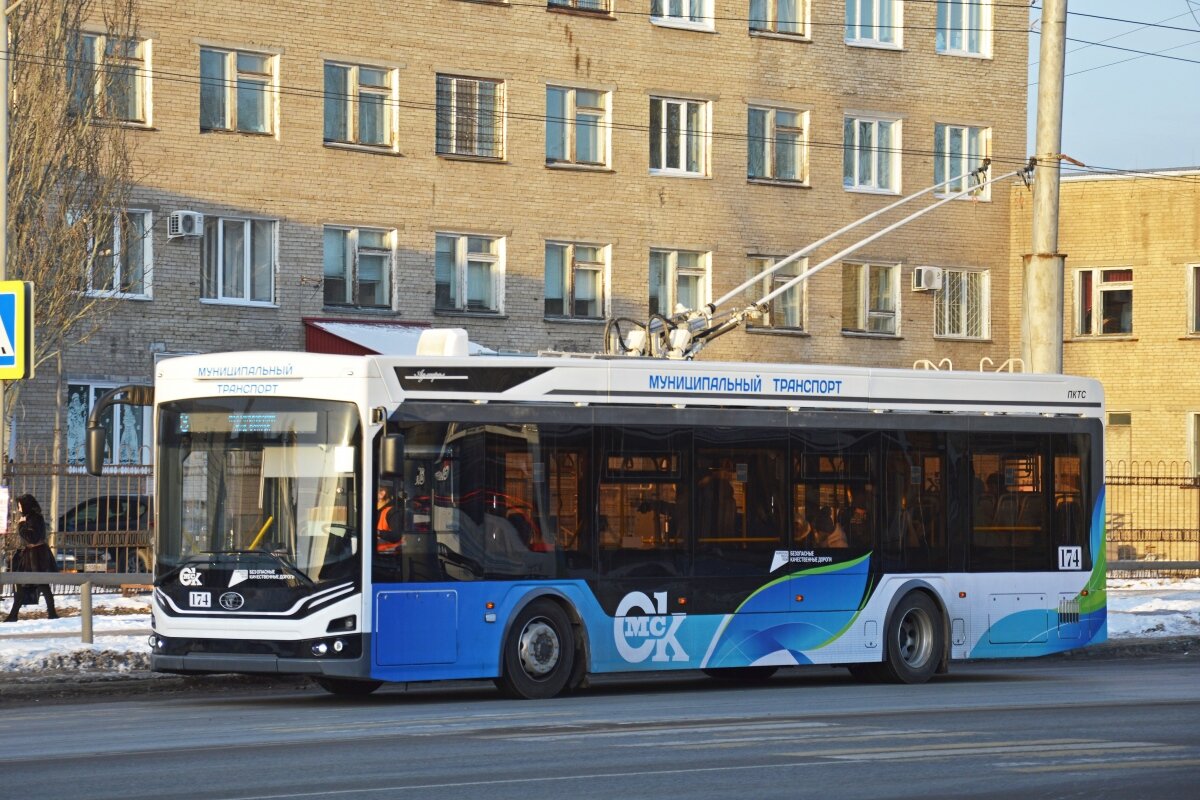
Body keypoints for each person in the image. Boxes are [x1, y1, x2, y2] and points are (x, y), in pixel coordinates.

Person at [4, 494, 58, 622]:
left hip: (36, 556)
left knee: (41, 584)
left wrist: (21, 526)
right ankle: (14, 615)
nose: (19, 508)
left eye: (20, 505)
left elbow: (32, 537)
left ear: (26, 505)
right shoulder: (30, 517)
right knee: (23, 584)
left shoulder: (34, 518)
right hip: (32, 554)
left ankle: (52, 613)